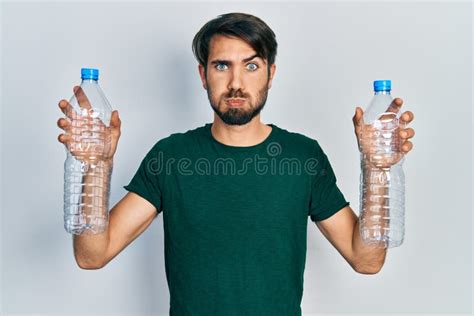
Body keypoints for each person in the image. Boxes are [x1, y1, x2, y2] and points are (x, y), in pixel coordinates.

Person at [56, 12, 415, 316]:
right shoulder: (171, 157)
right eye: (222, 65)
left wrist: (378, 169)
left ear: (271, 75)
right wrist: (95, 167)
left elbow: (366, 260)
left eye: (251, 66)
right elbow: (92, 255)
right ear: (203, 75)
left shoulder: (303, 157)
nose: (236, 83)